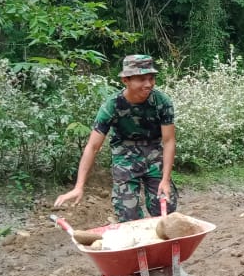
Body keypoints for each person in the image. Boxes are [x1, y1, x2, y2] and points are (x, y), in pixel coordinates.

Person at [54, 55, 179, 222]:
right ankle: (138, 245)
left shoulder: (162, 102)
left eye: (151, 78)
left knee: (165, 208)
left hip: (154, 153)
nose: (148, 84)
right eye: (141, 79)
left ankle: (162, 244)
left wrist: (165, 180)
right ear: (125, 80)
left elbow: (169, 140)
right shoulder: (112, 106)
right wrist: (79, 186)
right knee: (127, 215)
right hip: (125, 156)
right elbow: (93, 146)